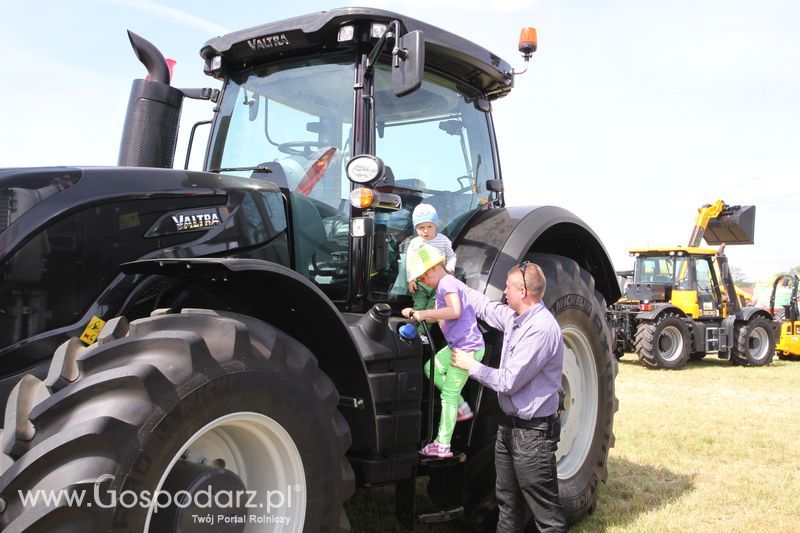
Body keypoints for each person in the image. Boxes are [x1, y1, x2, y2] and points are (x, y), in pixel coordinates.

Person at [451, 261, 567, 532]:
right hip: (508, 429)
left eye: (508, 287)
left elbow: (508, 382)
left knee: (547, 515)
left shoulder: (541, 329)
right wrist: (452, 282)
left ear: (524, 292)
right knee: (508, 504)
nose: (503, 291)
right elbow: (486, 307)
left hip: (532, 436)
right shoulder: (516, 319)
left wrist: (471, 366)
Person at [401, 244, 484, 458]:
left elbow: (454, 311)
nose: (422, 283)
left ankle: (442, 445)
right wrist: (417, 314)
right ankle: (462, 406)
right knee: (432, 369)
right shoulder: (445, 285)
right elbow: (440, 316)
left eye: (422, 278)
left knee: (448, 394)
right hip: (457, 346)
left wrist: (425, 311)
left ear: (431, 270)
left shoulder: (446, 283)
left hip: (466, 349)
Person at [406, 204, 457, 321]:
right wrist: (411, 279)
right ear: (415, 228)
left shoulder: (443, 240)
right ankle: (414, 332)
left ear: (436, 225)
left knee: (432, 311)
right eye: (421, 228)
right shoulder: (415, 243)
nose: (425, 231)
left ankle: (423, 334)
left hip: (439, 283)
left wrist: (450, 269)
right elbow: (410, 262)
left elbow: (452, 256)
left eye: (429, 226)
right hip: (421, 282)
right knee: (419, 308)